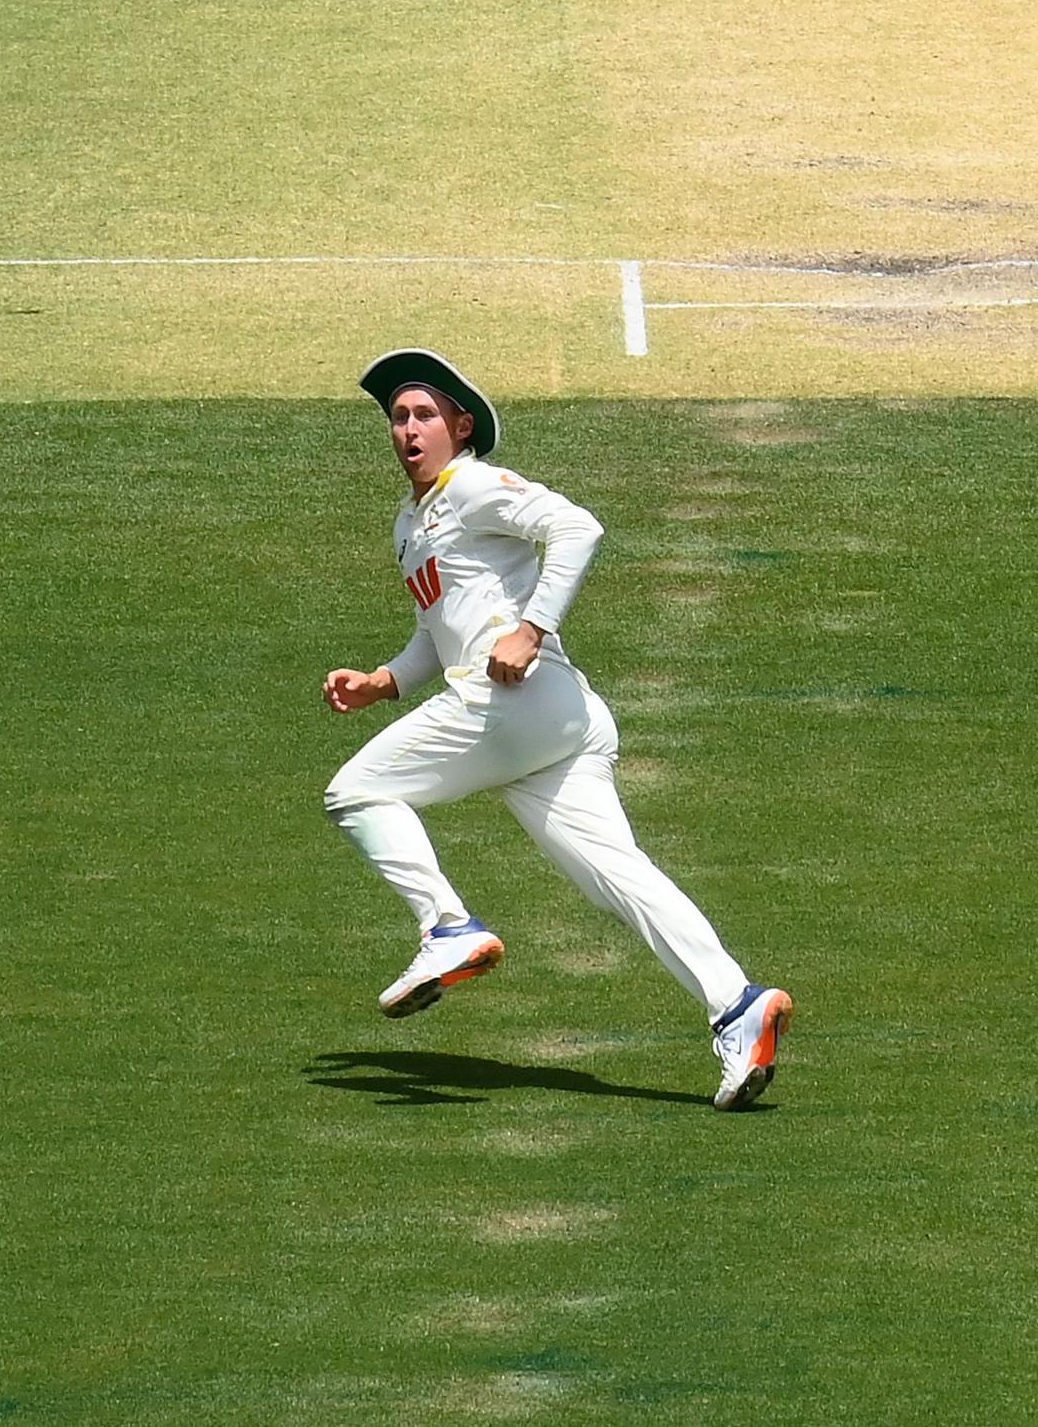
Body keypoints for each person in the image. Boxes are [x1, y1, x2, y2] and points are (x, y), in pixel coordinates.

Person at [320, 349, 794, 1108]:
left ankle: (446, 927)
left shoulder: (471, 485)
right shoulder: (412, 521)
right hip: (555, 726)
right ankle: (738, 1005)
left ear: (460, 426)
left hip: (513, 699)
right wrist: (383, 681)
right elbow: (437, 628)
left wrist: (532, 629)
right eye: (398, 417)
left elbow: (578, 527)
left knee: (355, 791)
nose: (408, 429)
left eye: (424, 415)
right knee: (622, 878)